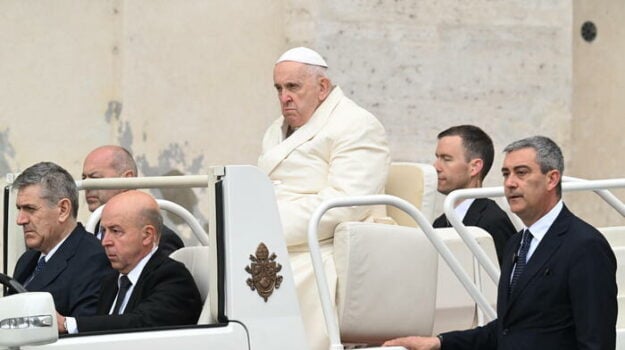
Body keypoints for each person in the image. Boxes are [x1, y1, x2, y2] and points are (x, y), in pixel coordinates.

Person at [383, 136, 617, 350]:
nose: (510, 183)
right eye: (506, 174)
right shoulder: (517, 243)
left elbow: (596, 342)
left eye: (521, 173)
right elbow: (506, 331)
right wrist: (438, 342)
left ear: (552, 179)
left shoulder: (585, 245)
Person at [258, 47, 390, 350]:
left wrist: (269, 226)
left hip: (323, 241)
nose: (284, 97)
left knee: (284, 275)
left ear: (322, 88)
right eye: (279, 88)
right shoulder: (274, 130)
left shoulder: (357, 124)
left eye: (293, 87)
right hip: (276, 235)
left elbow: (347, 203)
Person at [57, 190, 202, 334]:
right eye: (103, 231)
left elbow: (140, 324)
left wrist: (67, 324)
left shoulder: (172, 277)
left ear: (147, 235)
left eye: (115, 231)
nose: (105, 241)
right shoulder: (111, 280)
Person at [12, 161, 113, 317]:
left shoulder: (94, 259)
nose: (20, 220)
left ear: (63, 210)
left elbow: (85, 332)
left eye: (30, 209)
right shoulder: (27, 260)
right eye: (20, 209)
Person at [432, 125, 516, 265]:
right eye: (437, 158)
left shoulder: (493, 222)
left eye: (446, 159)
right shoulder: (440, 223)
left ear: (474, 167)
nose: (436, 167)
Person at [82, 145, 184, 255]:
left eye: (95, 178)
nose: (86, 186)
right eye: (84, 179)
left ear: (127, 179)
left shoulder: (159, 240)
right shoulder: (90, 231)